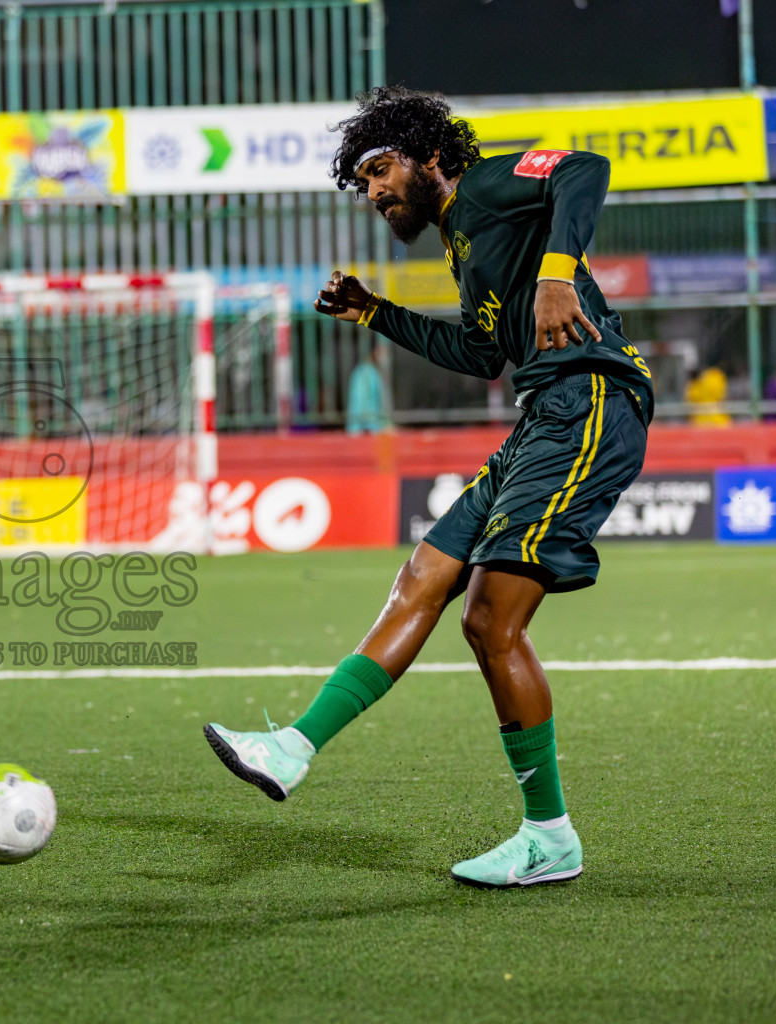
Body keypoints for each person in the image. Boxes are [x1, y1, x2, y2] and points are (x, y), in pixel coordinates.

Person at [204, 86, 654, 888]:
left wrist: (558, 274)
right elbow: (485, 356)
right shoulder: (459, 237)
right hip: (539, 416)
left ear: (430, 156)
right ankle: (294, 748)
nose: (373, 192)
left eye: (380, 169)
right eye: (363, 181)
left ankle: (550, 837)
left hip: (589, 401)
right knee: (422, 575)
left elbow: (583, 167)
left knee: (489, 621)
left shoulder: (485, 184)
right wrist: (377, 314)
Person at [345, 340, 390, 434]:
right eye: (381, 352)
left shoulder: (373, 372)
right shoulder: (364, 372)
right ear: (373, 352)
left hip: (373, 428)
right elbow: (362, 401)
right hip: (364, 430)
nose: (383, 356)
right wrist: (368, 427)